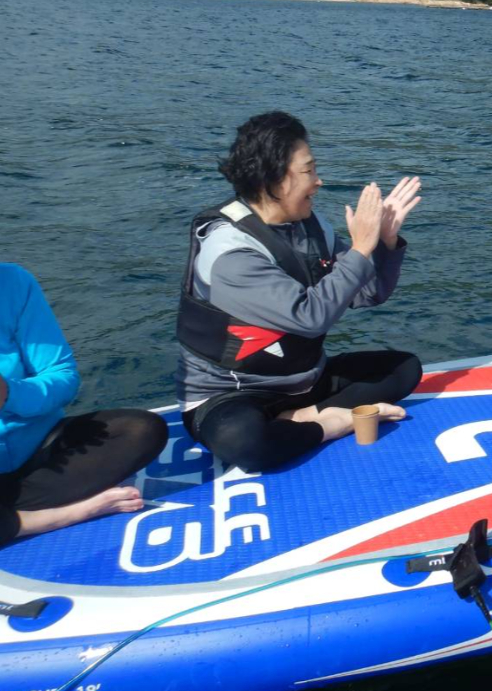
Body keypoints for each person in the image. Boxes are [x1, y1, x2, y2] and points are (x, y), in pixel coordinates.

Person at [175, 111, 422, 473]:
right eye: (308, 171)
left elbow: (366, 293)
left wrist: (383, 244)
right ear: (272, 177)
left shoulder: (311, 226)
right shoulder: (230, 253)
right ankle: (325, 422)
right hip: (234, 393)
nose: (319, 182)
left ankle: (300, 414)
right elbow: (309, 317)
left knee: (405, 369)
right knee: (246, 444)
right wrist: (361, 249)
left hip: (305, 380)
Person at [2, 264, 167, 546]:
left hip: (42, 451)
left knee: (141, 430)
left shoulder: (13, 282)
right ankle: (67, 513)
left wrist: (11, 393)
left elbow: (63, 376)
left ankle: (11, 518)